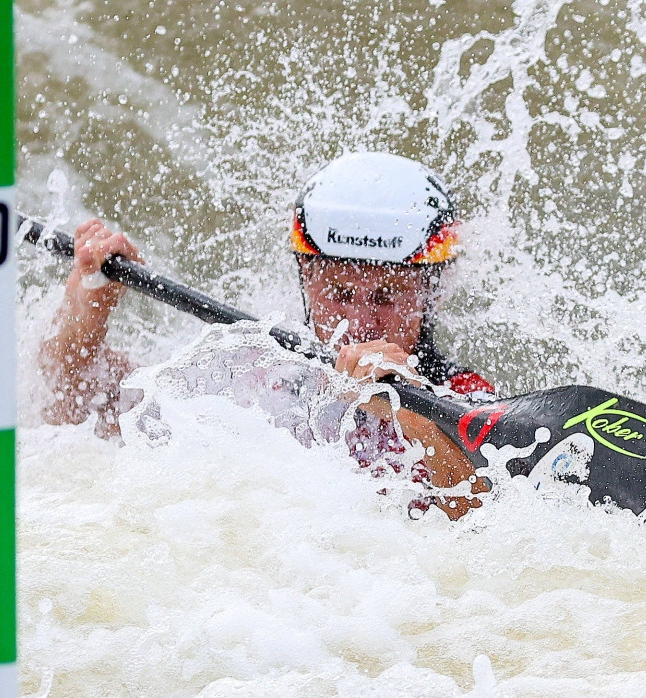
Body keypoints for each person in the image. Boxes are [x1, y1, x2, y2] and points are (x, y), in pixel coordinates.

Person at [40, 152, 493, 519]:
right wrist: (89, 306)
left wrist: (411, 414)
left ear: (430, 294)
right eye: (338, 292)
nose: (359, 320)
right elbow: (79, 406)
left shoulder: (467, 399)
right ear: (306, 281)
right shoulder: (262, 378)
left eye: (386, 297)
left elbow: (492, 526)